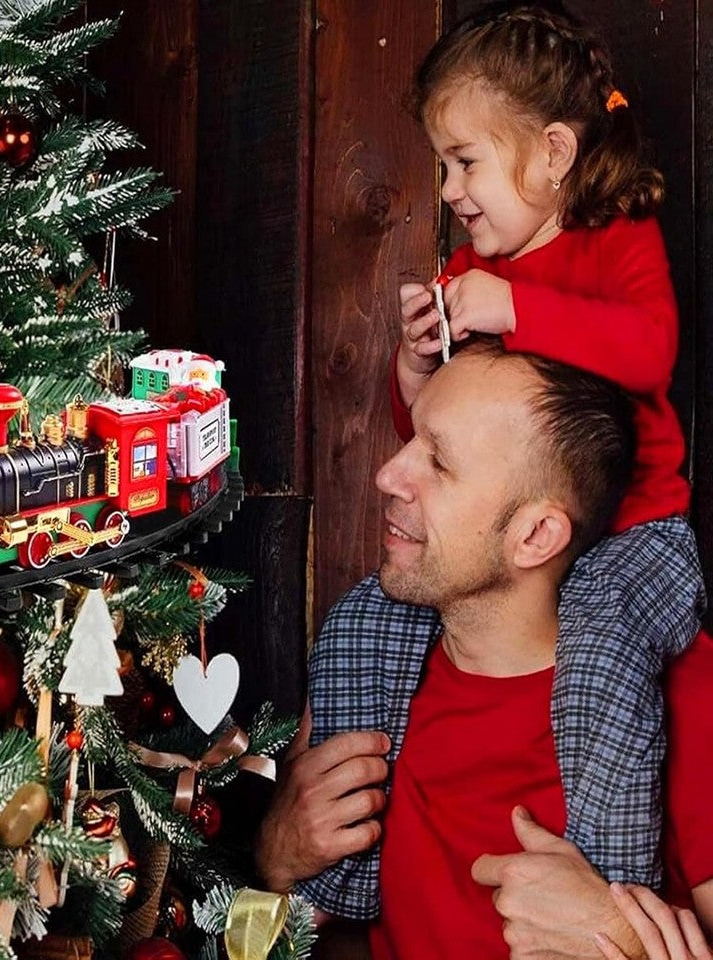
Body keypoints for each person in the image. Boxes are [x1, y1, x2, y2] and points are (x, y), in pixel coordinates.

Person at [319, 0, 706, 905]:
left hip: (633, 540)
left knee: (605, 651)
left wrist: (512, 310)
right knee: (363, 621)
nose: (450, 189)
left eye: (466, 162)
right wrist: (415, 363)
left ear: (554, 155)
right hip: (519, 549)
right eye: (442, 164)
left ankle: (604, 896)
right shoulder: (470, 276)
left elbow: (650, 352)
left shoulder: (611, 240)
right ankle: (347, 878)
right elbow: (435, 426)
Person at [255, 341, 713, 958]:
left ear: (535, 535)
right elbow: (285, 930)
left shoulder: (684, 691)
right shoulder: (371, 669)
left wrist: (621, 934)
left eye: (439, 463)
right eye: (413, 439)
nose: (388, 475)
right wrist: (276, 853)